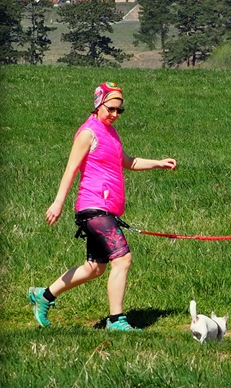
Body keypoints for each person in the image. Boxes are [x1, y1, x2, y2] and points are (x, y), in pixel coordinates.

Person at [29, 82, 177, 332]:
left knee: (95, 268)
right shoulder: (88, 133)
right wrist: (58, 203)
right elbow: (71, 169)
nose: (115, 114)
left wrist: (158, 163)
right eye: (111, 109)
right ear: (98, 104)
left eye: (120, 111)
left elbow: (128, 162)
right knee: (123, 259)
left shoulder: (111, 133)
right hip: (93, 206)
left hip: (107, 209)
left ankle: (44, 296)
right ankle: (116, 320)